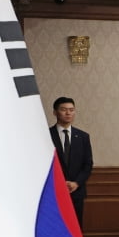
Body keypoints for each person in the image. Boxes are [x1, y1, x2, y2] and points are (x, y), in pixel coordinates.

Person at [49, 96, 93, 226]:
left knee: (75, 227)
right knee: (55, 226)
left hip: (76, 191)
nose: (68, 113)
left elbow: (88, 164)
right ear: (55, 112)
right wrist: (59, 182)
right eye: (63, 109)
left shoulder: (83, 137)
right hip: (54, 191)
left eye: (71, 110)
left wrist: (76, 183)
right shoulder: (46, 135)